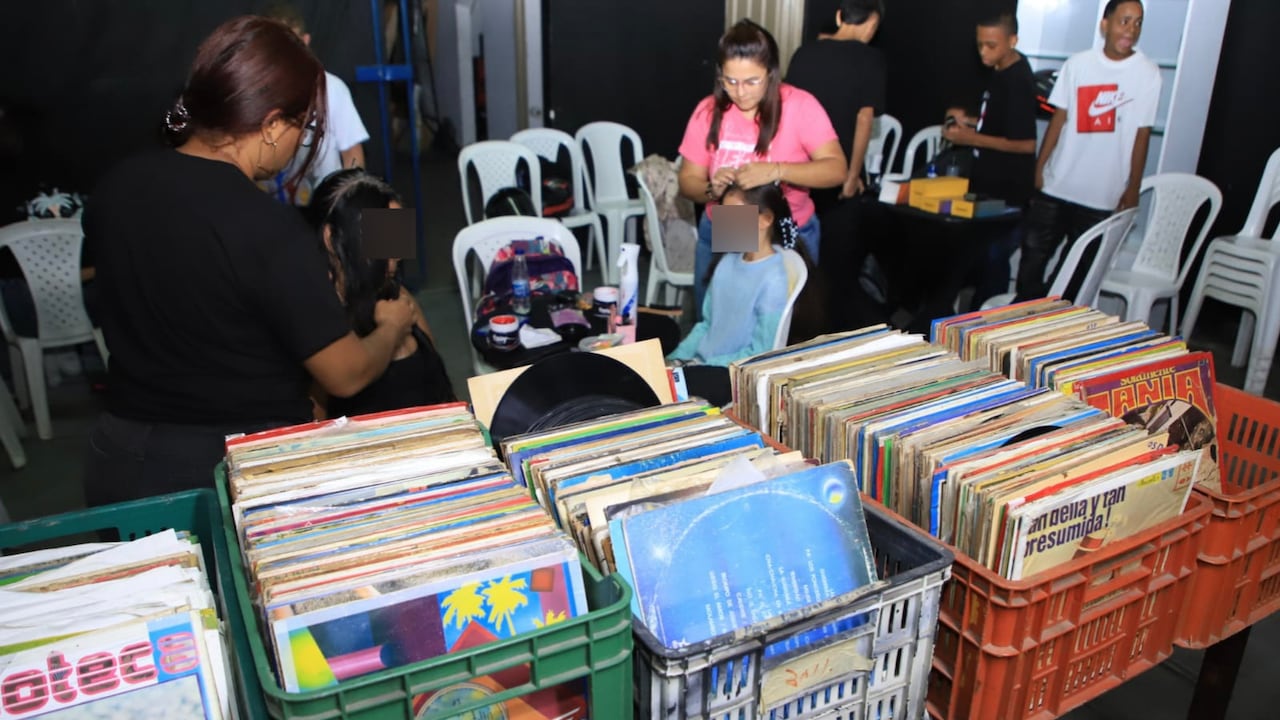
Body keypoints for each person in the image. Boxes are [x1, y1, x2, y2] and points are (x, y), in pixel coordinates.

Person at [81, 16, 417, 506]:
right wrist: (391, 328)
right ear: (272, 123)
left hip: (122, 457)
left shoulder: (117, 185)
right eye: (300, 128)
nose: (300, 143)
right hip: (234, 470)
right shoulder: (266, 228)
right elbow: (345, 374)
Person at [677, 19, 846, 316]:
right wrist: (711, 189)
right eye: (729, 81)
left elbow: (836, 170)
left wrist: (777, 170)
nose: (740, 92)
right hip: (730, 223)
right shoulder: (708, 110)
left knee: (786, 323)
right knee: (720, 318)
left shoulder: (799, 105)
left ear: (771, 73)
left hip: (785, 226)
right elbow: (688, 181)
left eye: (751, 81)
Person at [1014, 0, 1160, 302]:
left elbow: (1142, 134)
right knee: (1031, 261)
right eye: (1124, 21)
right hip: (1057, 185)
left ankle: (1049, 322)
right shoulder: (1078, 64)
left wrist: (1132, 188)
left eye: (1138, 23)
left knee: (1074, 273)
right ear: (1104, 24)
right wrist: (1039, 168)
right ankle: (1021, 318)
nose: (1131, 30)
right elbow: (1059, 119)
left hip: (1100, 196)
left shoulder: (1147, 73)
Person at [307, 169, 456, 417]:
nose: (395, 255)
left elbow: (440, 390)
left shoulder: (400, 296)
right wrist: (392, 328)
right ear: (332, 240)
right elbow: (314, 428)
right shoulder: (317, 322)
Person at [785, 0, 886, 331]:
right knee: (833, 263)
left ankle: (801, 328)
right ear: (870, 24)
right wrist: (853, 174)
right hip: (824, 178)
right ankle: (822, 330)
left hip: (797, 181)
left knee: (798, 259)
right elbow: (864, 117)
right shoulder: (870, 59)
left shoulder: (804, 54)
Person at [668, 182, 822, 369]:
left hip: (729, 373)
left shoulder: (774, 280)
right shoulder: (726, 262)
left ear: (765, 219)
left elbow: (761, 352)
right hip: (701, 365)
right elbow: (706, 325)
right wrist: (676, 358)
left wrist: (701, 366)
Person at [942, 11, 1038, 307]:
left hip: (1008, 192)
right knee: (982, 259)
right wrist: (970, 122)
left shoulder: (1019, 80)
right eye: (980, 44)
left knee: (994, 262)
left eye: (991, 45)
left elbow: (1025, 144)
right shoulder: (1001, 67)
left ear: (1013, 41)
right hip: (989, 186)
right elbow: (1001, 124)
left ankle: (986, 329)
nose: (984, 52)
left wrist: (970, 138)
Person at [262, 1, 370, 205]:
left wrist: (349, 200)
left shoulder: (332, 87)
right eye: (279, 49)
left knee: (389, 220)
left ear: (306, 41)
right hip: (270, 212)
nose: (288, 57)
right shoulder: (251, 90)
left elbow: (352, 152)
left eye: (294, 47)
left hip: (324, 207)